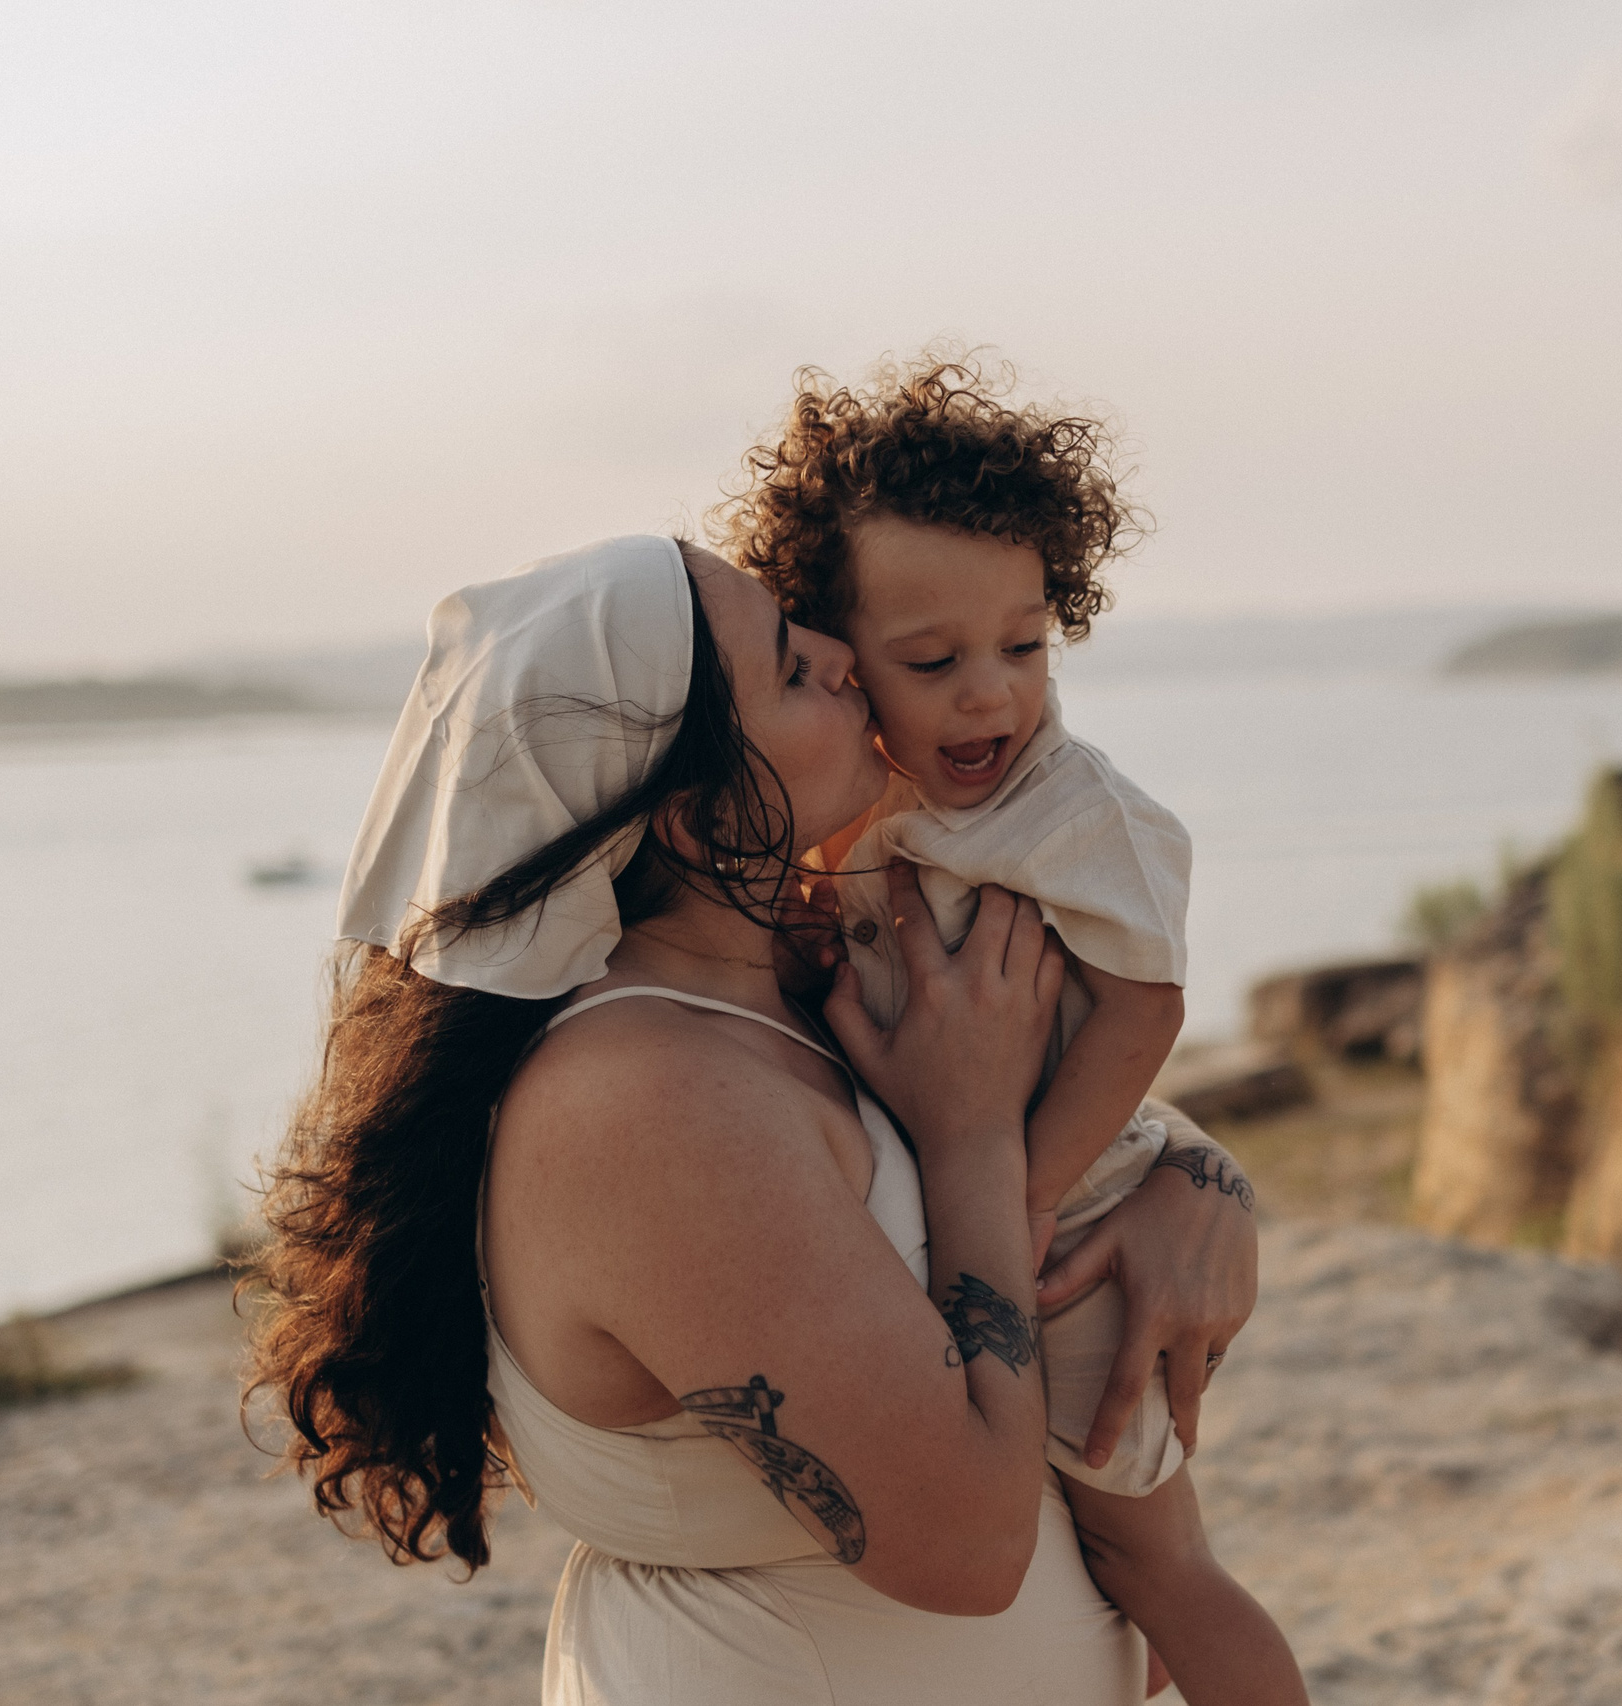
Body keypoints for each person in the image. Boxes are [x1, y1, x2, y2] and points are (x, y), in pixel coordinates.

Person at [246, 533, 1268, 1703]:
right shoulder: (645, 1102)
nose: (840, 655)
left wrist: (1197, 1183)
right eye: (789, 665)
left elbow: (1024, 1114)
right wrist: (975, 1142)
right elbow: (970, 1542)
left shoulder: (785, 988)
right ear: (696, 820)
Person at [717, 354, 1304, 1705]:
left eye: (1025, 647)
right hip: (957, 1212)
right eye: (934, 661)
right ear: (838, 657)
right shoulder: (865, 807)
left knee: (1156, 1558)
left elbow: (1147, 1004)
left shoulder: (1069, 813)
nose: (991, 694)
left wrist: (1027, 1196)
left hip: (1070, 1222)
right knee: (1085, 1571)